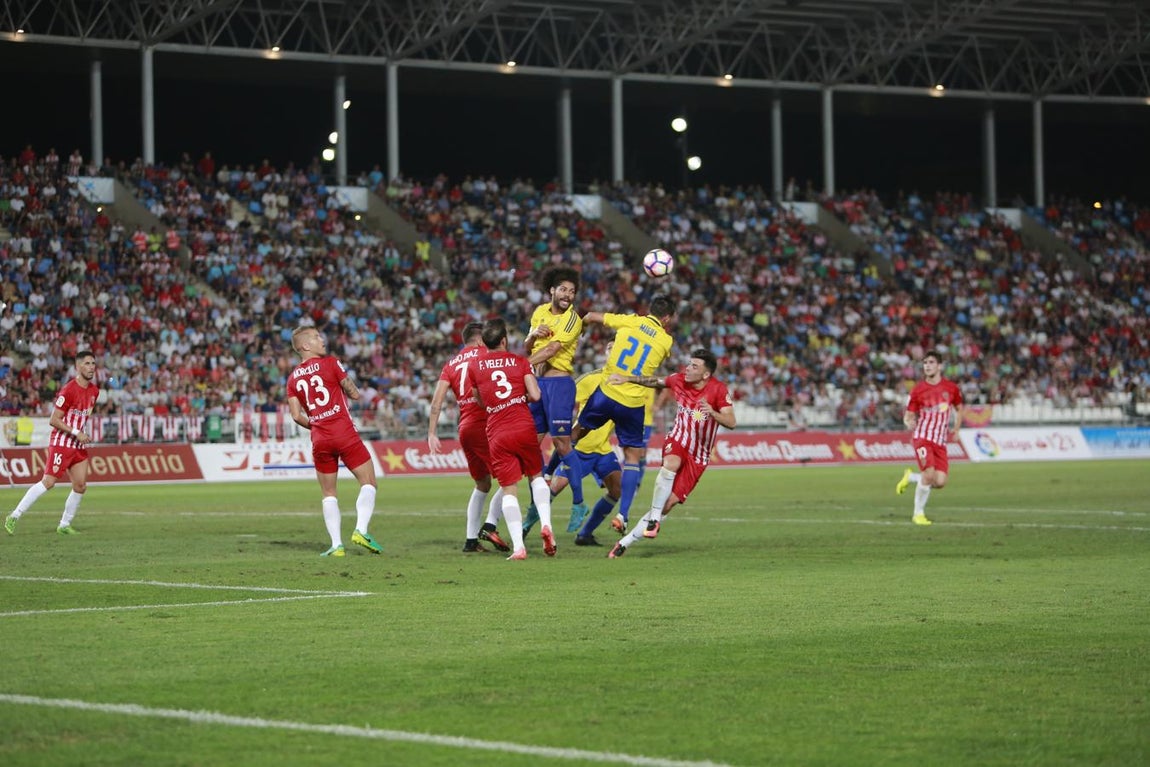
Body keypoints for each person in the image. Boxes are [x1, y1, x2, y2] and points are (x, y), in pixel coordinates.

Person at [606, 348, 736, 558]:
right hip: (678, 438)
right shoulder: (679, 379)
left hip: (699, 455)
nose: (688, 368)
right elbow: (654, 381)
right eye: (689, 363)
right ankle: (654, 520)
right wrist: (626, 378)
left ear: (705, 374)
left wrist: (712, 412)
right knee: (671, 464)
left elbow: (731, 421)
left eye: (694, 366)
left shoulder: (718, 390)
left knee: (670, 503)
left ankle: (624, 542)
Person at [571, 294, 677, 536]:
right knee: (632, 457)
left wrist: (583, 328)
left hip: (607, 392)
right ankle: (623, 515)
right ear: (667, 318)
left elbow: (591, 315)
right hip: (632, 403)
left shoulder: (631, 321)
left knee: (577, 432)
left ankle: (549, 472)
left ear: (649, 310)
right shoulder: (666, 341)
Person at [464, 318, 557, 560]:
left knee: (508, 489)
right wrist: (519, 397)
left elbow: (478, 399)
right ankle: (546, 525)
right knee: (536, 476)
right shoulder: (520, 361)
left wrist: (496, 405)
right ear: (504, 340)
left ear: (485, 342)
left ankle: (518, 548)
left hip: (497, 431)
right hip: (523, 425)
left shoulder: (475, 366)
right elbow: (535, 395)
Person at [286, 325, 382, 557]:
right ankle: (361, 530)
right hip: (343, 432)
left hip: (320, 439)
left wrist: (317, 424)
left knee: (329, 493)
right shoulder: (330, 363)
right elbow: (355, 394)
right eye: (317, 337)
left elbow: (296, 415)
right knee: (369, 482)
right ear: (305, 345)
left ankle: (336, 545)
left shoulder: (292, 378)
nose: (322, 340)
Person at [427, 321, 511, 553]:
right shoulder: (487, 354)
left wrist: (432, 433)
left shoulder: (450, 365)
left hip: (465, 428)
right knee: (511, 476)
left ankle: (470, 541)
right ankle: (490, 525)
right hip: (486, 424)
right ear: (482, 339)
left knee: (483, 483)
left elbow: (437, 401)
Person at [5, 350, 101, 536]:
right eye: (87, 363)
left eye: (93, 364)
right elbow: (54, 420)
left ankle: (64, 524)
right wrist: (76, 432)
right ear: (78, 366)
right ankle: (14, 515)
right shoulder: (68, 390)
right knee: (48, 482)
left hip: (78, 446)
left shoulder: (94, 392)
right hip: (62, 443)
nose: (91, 367)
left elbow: (82, 416)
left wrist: (82, 433)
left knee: (80, 486)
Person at [523, 267, 588, 534]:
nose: (568, 295)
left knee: (562, 444)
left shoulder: (573, 319)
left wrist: (520, 367)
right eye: (563, 289)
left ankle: (579, 503)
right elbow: (528, 345)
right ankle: (536, 504)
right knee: (529, 445)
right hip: (538, 384)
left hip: (559, 385)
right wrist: (532, 336)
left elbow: (552, 349)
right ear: (552, 290)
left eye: (572, 291)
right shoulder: (539, 312)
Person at [547, 342, 624, 547]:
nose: (614, 354)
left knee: (617, 490)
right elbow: (565, 398)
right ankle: (524, 529)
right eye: (611, 350)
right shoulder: (591, 379)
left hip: (603, 449)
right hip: (579, 448)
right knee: (552, 491)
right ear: (606, 355)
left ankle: (585, 534)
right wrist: (560, 428)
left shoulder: (626, 383)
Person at [895, 350, 964, 525]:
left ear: (939, 366)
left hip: (940, 442)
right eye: (925, 363)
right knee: (928, 474)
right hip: (923, 438)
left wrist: (956, 430)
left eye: (931, 362)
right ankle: (918, 514)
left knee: (940, 481)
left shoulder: (951, 388)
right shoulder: (918, 390)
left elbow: (959, 408)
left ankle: (911, 477)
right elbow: (908, 415)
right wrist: (908, 422)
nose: (927, 366)